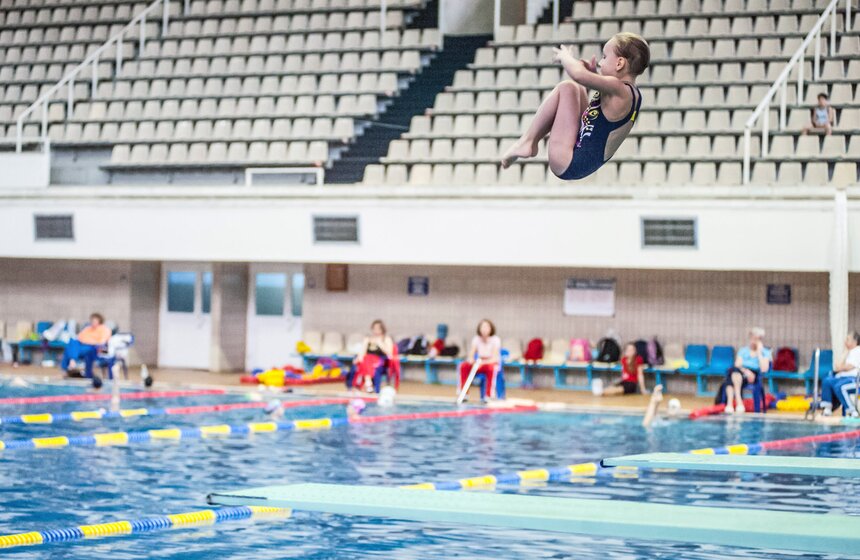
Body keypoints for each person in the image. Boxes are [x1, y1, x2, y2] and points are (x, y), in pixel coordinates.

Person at [501, 32, 649, 181]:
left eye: (604, 57)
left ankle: (527, 141)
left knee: (567, 87)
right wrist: (593, 75)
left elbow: (578, 75)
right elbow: (596, 118)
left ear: (619, 63)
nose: (600, 62)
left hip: (568, 162)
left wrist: (566, 57)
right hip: (579, 156)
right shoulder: (630, 94)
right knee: (576, 89)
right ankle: (528, 142)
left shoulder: (620, 90)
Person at [721, 328, 772, 414]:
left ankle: (731, 404)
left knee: (730, 378)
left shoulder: (765, 352)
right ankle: (737, 402)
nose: (753, 341)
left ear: (760, 340)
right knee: (734, 372)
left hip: (755, 375)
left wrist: (759, 353)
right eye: (752, 338)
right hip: (742, 372)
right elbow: (737, 364)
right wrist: (746, 371)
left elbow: (764, 369)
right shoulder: (743, 350)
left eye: (756, 339)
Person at [346, 320, 397, 393]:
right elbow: (362, 352)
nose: (376, 330)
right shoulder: (368, 339)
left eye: (378, 328)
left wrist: (380, 343)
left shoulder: (386, 339)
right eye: (374, 328)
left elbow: (389, 353)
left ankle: (366, 383)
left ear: (382, 329)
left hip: (380, 360)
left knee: (367, 361)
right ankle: (357, 386)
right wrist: (358, 358)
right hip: (367, 360)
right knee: (360, 361)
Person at [458, 319, 501, 402]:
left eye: (487, 327)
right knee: (463, 366)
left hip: (490, 363)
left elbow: (495, 358)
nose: (484, 329)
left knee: (492, 369)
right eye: (483, 327)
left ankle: (488, 396)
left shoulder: (496, 339)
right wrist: (471, 360)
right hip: (479, 362)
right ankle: (464, 393)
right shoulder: (476, 339)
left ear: (491, 328)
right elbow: (471, 354)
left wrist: (483, 362)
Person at [818, 332, 860, 417]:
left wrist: (840, 368)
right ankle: (828, 408)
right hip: (843, 378)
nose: (845, 341)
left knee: (840, 387)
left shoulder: (858, 351)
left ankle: (852, 411)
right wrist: (845, 352)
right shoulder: (850, 352)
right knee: (827, 381)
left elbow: (847, 367)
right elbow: (837, 366)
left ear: (855, 342)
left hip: (854, 379)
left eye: (847, 339)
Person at [61, 313, 112, 380]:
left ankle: (68, 366)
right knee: (72, 342)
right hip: (83, 346)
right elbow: (79, 337)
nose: (93, 322)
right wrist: (88, 340)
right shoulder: (88, 329)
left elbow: (101, 342)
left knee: (70, 349)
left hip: (94, 348)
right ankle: (72, 360)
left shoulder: (104, 329)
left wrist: (89, 341)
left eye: (94, 321)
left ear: (99, 321)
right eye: (92, 321)